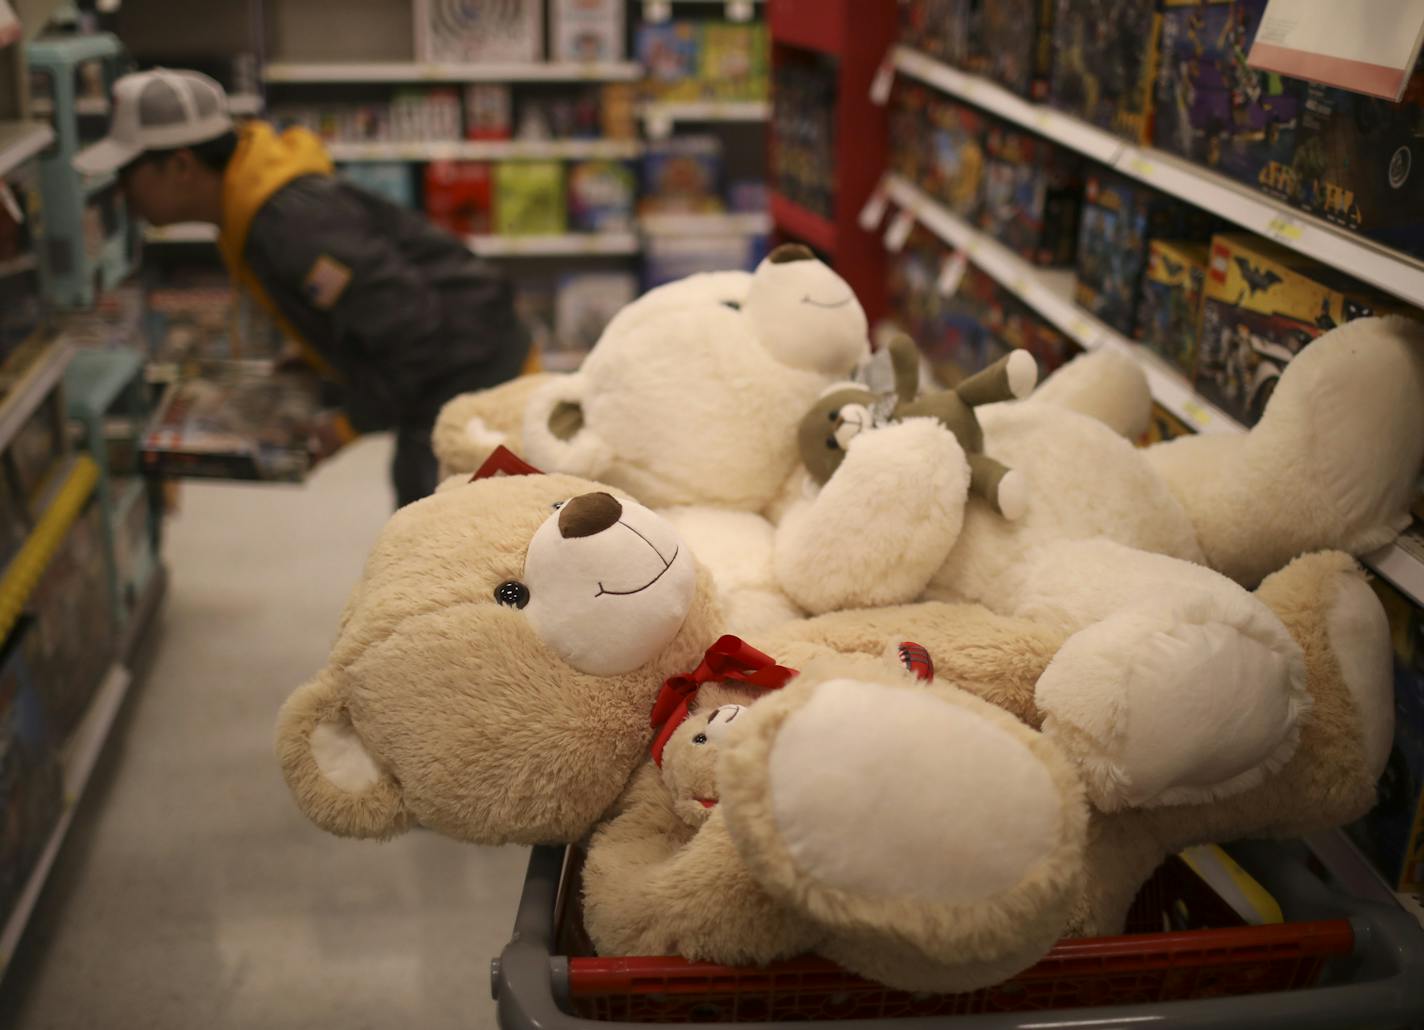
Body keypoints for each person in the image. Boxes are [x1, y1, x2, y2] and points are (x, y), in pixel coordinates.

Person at [74, 68, 533, 506]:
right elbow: (370, 301)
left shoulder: (286, 224)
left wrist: (347, 425)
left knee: (454, 535)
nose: (122, 193)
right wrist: (318, 352)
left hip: (479, 378)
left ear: (180, 165)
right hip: (456, 369)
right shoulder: (254, 203)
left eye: (127, 173)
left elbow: (413, 328)